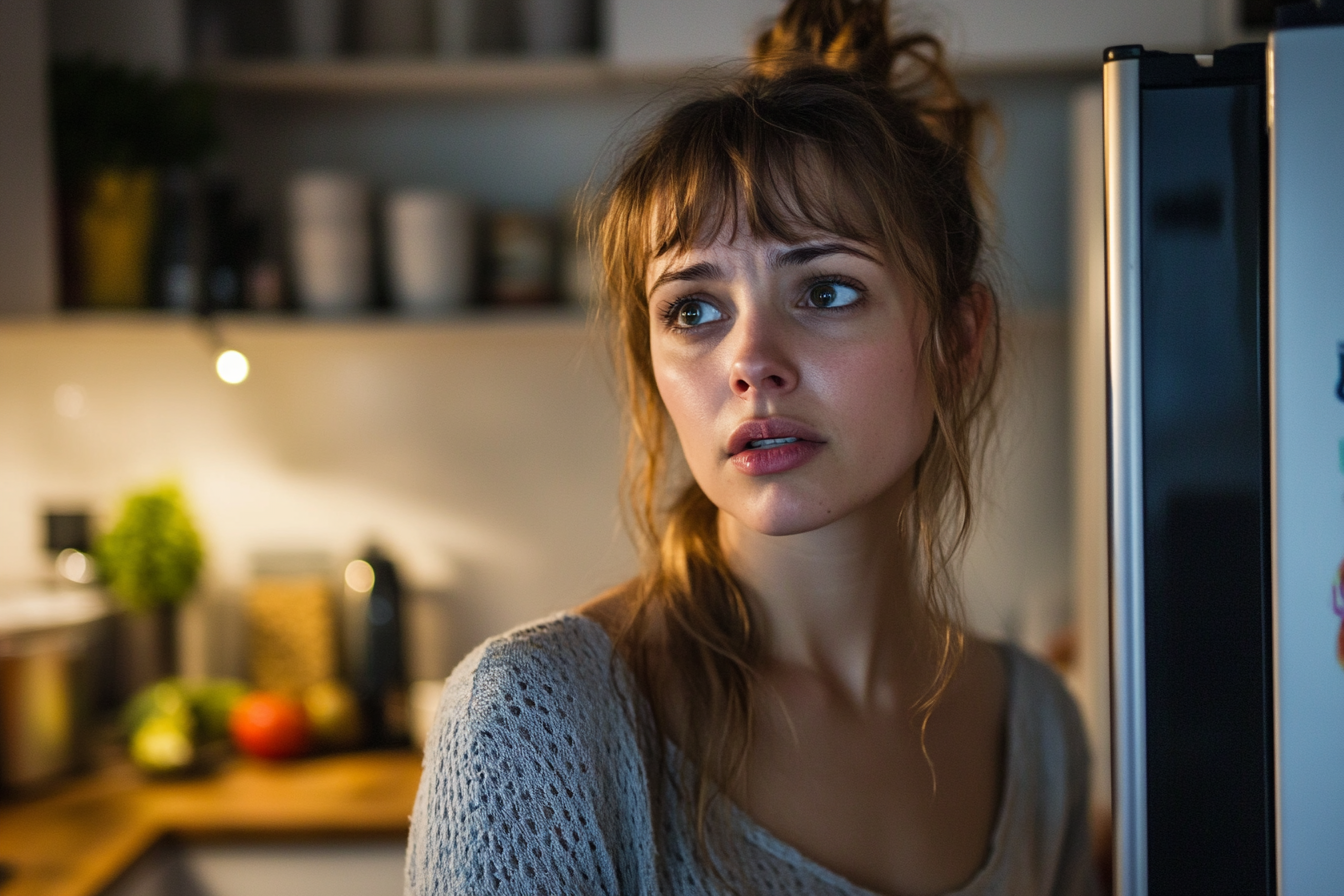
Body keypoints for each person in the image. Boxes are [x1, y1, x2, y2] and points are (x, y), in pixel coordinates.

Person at [406, 0, 1097, 893]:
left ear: (959, 341)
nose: (751, 363)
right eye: (693, 309)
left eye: (828, 291)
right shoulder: (532, 727)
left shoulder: (1036, 731)